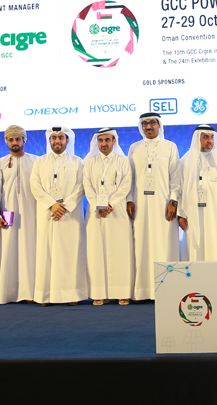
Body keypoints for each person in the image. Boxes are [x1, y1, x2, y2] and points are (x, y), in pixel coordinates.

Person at [126, 112, 181, 300]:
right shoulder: (134, 148)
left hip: (164, 205)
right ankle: (143, 290)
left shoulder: (170, 147)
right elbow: (130, 177)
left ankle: (166, 290)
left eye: (152, 123)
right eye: (145, 124)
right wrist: (130, 199)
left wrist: (173, 201)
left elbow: (176, 177)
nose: (148, 127)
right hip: (140, 205)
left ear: (159, 125)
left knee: (163, 244)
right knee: (141, 245)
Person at [29, 126, 87, 305]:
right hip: (48, 214)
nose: (57, 141)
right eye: (53, 138)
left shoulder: (78, 162)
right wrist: (52, 205)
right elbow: (35, 186)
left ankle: (71, 295)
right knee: (46, 253)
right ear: (49, 141)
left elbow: (81, 187)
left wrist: (65, 206)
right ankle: (45, 295)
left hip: (70, 215)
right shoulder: (40, 162)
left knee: (70, 254)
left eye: (60, 137)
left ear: (67, 140)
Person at [83, 128, 134, 305]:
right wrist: (98, 205)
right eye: (101, 140)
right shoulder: (89, 163)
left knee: (120, 251)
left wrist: (110, 204)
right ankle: (99, 293)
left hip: (117, 212)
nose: (104, 144)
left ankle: (122, 292)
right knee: (96, 252)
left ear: (114, 141)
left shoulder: (123, 161)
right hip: (95, 213)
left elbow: (126, 185)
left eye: (107, 140)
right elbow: (87, 186)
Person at [0, 125, 39, 304]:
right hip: (8, 215)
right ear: (6, 142)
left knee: (30, 251)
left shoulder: (36, 161)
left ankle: (30, 293)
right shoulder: (0, 163)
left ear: (24, 141)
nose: (14, 142)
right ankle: (7, 294)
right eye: (11, 140)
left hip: (32, 213)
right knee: (8, 252)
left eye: (18, 139)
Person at [178, 125, 217, 262]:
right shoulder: (185, 161)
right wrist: (180, 214)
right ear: (197, 139)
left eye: (212, 137)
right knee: (195, 250)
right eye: (205, 137)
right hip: (193, 216)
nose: (210, 141)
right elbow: (179, 189)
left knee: (216, 248)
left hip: (216, 216)